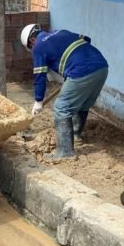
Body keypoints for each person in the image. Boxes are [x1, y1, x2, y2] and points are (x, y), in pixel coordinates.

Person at [21, 24, 109, 161]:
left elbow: (40, 76)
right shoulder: (61, 32)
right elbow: (87, 39)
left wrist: (38, 100)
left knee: (61, 107)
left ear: (32, 41)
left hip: (81, 71)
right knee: (83, 104)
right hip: (101, 66)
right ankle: (75, 135)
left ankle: (65, 152)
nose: (32, 50)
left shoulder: (38, 47)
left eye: (30, 48)